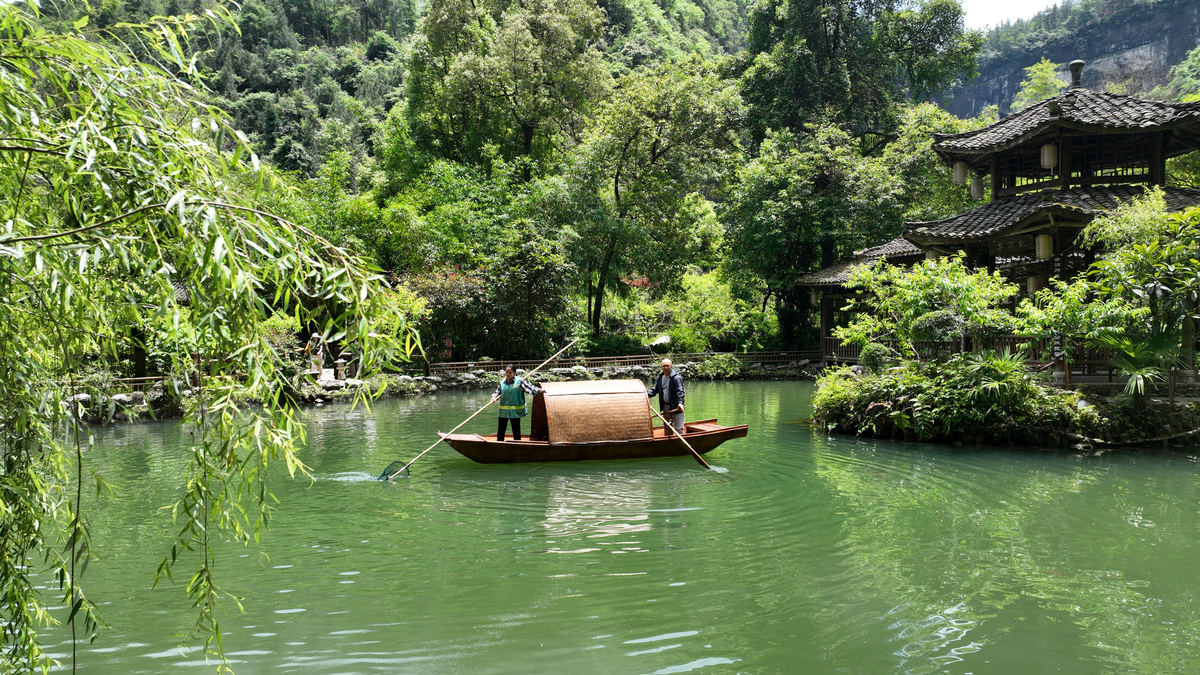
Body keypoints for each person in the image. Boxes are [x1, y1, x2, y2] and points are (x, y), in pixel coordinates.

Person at [492, 364, 544, 441]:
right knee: (501, 431)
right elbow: (497, 392)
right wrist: (493, 397)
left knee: (516, 431)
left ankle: (517, 446)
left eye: (510, 372)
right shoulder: (502, 383)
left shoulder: (520, 381)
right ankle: (500, 446)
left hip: (515, 412)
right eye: (507, 372)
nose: (508, 374)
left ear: (514, 373)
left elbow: (530, 388)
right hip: (503, 412)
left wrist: (539, 390)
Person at [647, 358, 685, 432]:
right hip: (666, 407)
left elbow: (680, 391)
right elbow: (655, 390)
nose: (666, 368)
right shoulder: (660, 378)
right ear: (661, 367)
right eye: (664, 366)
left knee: (678, 429)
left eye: (667, 366)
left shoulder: (676, 378)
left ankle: (681, 442)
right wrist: (645, 395)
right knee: (667, 429)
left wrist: (680, 403)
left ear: (671, 366)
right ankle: (669, 443)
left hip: (676, 407)